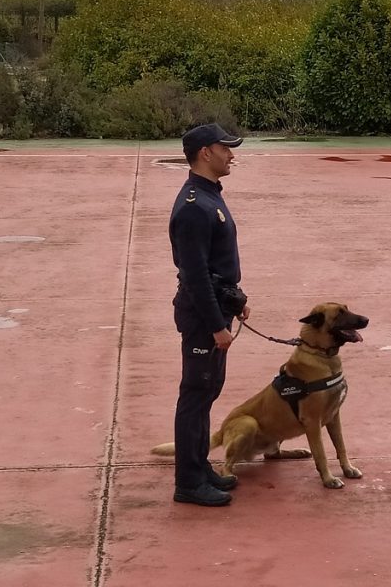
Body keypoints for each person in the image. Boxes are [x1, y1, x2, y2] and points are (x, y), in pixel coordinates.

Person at [168, 123, 250, 507]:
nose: (231, 154)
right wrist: (218, 325)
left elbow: (216, 267)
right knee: (196, 395)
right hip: (204, 317)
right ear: (205, 152)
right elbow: (196, 274)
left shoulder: (208, 196)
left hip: (217, 307)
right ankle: (188, 481)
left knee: (208, 392)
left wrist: (237, 299)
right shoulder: (193, 208)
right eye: (225, 148)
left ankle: (200, 468)